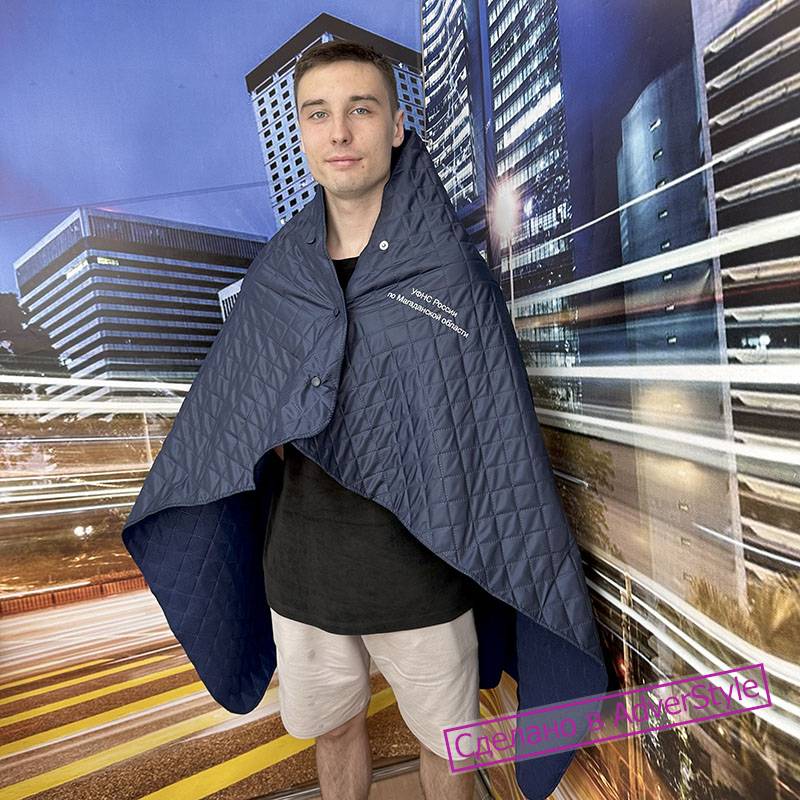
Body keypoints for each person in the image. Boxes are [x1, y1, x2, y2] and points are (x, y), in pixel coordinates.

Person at [263, 40, 479, 800]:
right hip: (305, 566)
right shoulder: (278, 277)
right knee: (333, 730)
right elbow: (244, 418)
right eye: (317, 113)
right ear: (301, 131)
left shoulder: (447, 269)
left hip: (421, 560)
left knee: (449, 747)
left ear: (395, 125)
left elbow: (482, 419)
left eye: (360, 108)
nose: (339, 132)